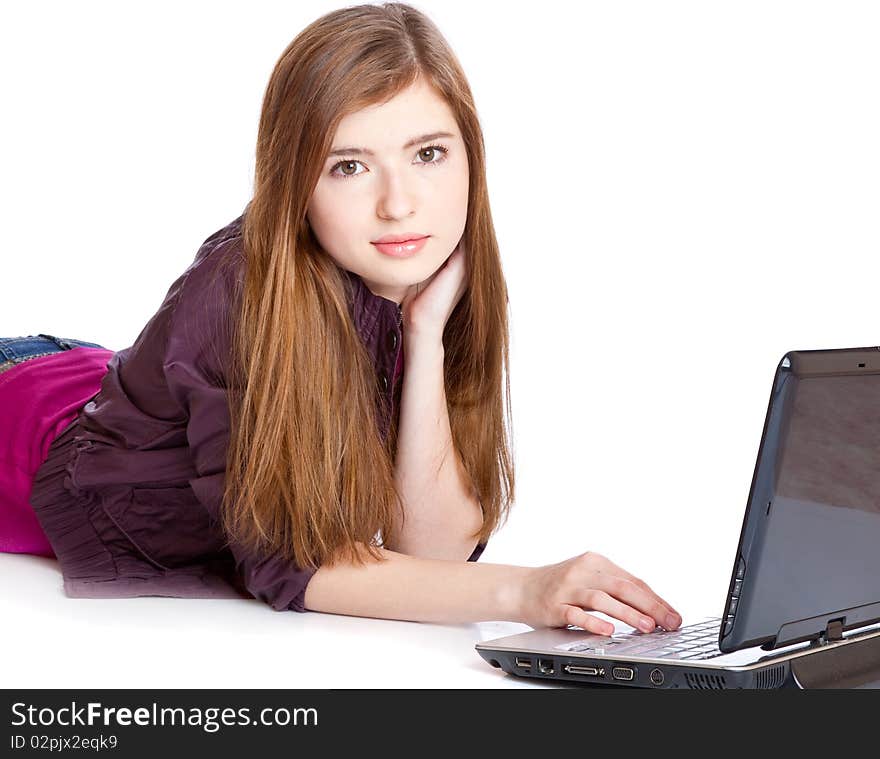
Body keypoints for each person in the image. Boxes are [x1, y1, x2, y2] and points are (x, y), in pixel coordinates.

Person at [1, 2, 682, 636]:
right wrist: (524, 592)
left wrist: (425, 338)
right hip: (22, 409)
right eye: (350, 165)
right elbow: (300, 563)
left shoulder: (429, 281)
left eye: (428, 153)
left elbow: (431, 547)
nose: (399, 204)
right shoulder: (240, 285)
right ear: (295, 181)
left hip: (92, 376)